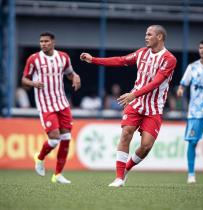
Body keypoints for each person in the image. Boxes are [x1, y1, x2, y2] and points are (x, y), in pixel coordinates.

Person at [80, 25, 177, 187]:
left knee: (145, 146)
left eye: (149, 34)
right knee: (126, 133)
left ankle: (125, 169)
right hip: (136, 103)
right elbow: (120, 60)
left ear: (159, 37)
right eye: (145, 34)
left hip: (153, 108)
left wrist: (133, 94)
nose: (146, 37)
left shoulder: (169, 59)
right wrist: (93, 60)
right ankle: (119, 178)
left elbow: (156, 82)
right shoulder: (141, 53)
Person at [22, 32, 81, 184]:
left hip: (62, 102)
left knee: (66, 137)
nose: (43, 44)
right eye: (41, 41)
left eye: (46, 41)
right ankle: (40, 157)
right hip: (45, 104)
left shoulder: (63, 57)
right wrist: (33, 83)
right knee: (54, 140)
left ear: (53, 42)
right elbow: (24, 80)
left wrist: (75, 77)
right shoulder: (34, 59)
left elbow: (69, 73)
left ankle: (58, 174)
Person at [177, 40, 203, 184]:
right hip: (195, 113)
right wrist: (180, 90)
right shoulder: (192, 67)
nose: (202, 50)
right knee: (192, 143)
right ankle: (191, 174)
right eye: (200, 48)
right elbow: (183, 84)